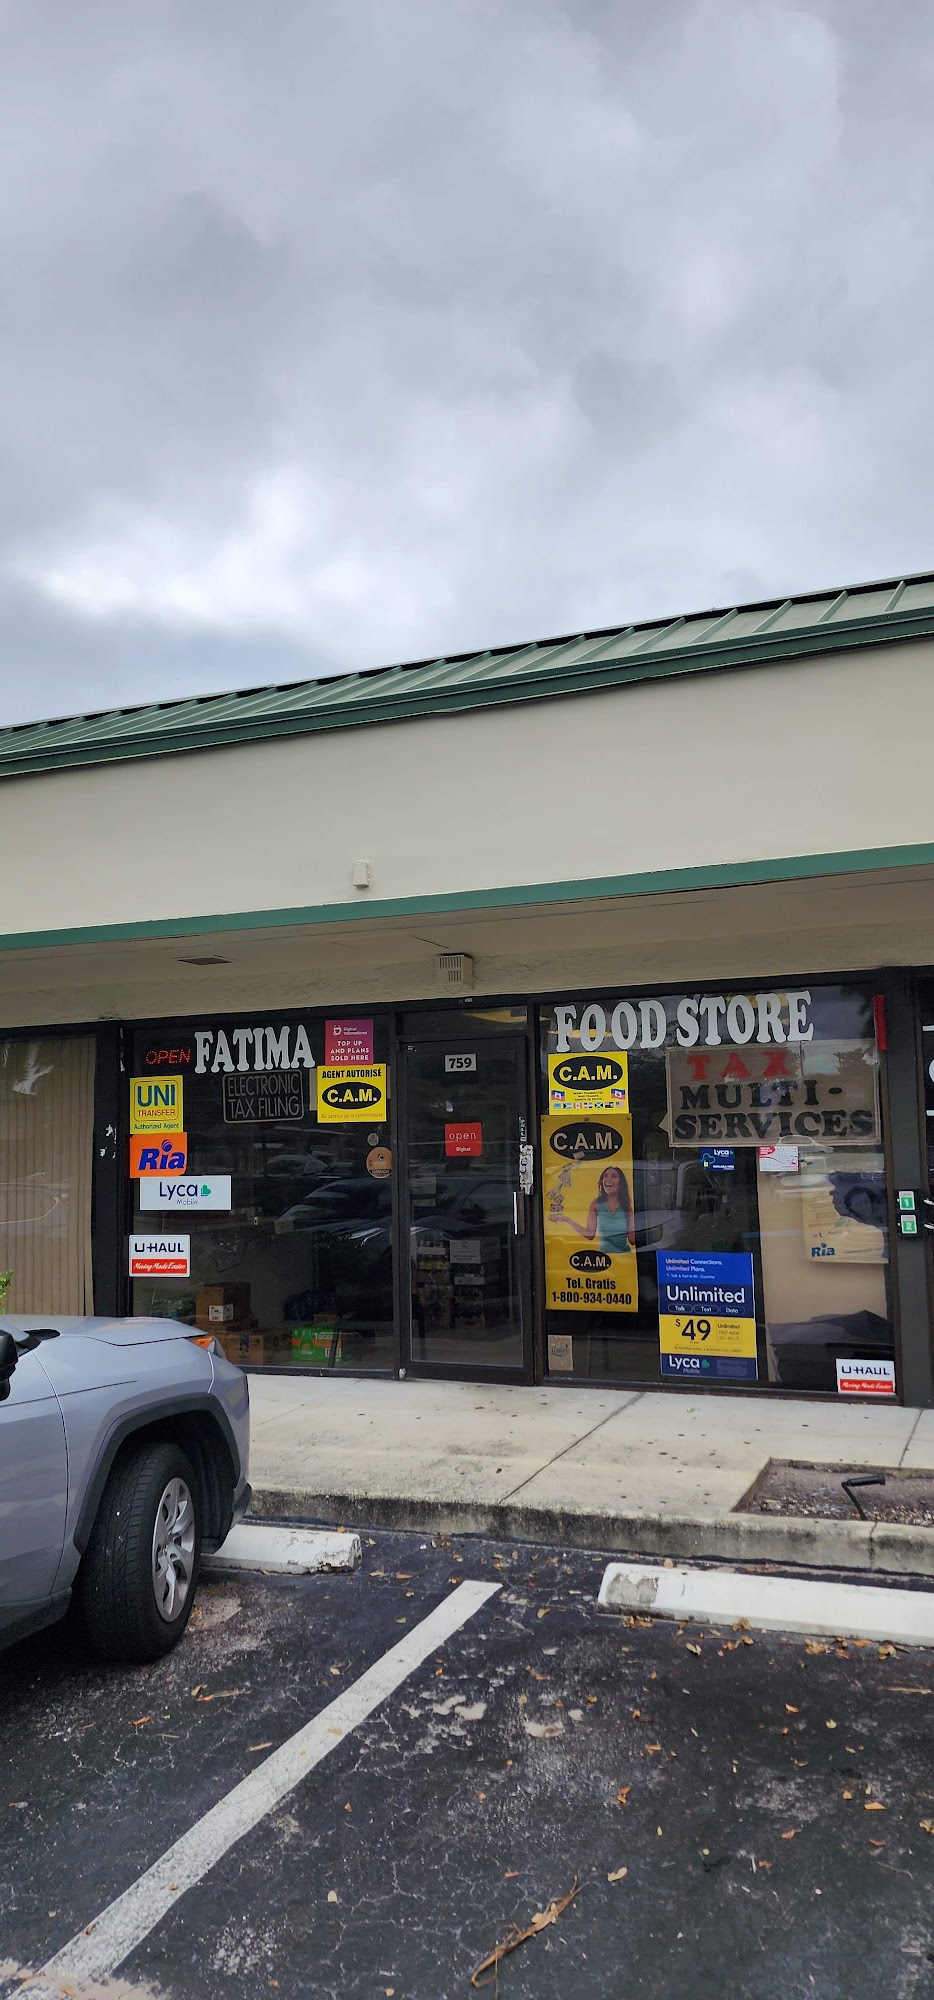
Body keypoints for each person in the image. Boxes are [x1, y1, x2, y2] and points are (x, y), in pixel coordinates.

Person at [563, 1163, 633, 1253]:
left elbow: (632, 1240)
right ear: (602, 1182)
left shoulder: (627, 1207)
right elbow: (590, 1234)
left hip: (625, 1256)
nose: (609, 1179)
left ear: (620, 1184)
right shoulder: (596, 1205)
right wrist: (568, 1220)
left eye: (614, 1176)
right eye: (605, 1176)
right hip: (604, 1258)